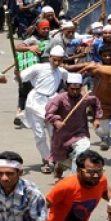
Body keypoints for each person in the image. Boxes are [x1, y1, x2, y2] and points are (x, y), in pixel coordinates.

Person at [43, 150, 111, 221]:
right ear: (79, 171)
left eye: (99, 171)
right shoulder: (65, 186)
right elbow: (39, 208)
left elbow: (105, 190)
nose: (96, 176)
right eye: (91, 172)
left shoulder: (100, 181)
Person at [18, 45, 69, 173]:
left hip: (52, 104)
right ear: (50, 58)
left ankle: (55, 157)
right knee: (39, 135)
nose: (57, 63)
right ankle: (46, 160)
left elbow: (73, 83)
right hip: (35, 103)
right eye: (54, 60)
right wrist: (18, 75)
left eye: (60, 60)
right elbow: (22, 76)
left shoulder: (62, 72)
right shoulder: (38, 68)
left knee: (54, 134)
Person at [45, 72, 103, 180]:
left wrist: (97, 118)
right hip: (62, 134)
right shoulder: (59, 99)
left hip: (80, 132)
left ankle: (73, 179)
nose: (75, 91)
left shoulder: (85, 98)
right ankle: (61, 165)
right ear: (67, 87)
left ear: (81, 87)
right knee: (62, 159)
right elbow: (49, 113)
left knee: (82, 151)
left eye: (78, 88)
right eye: (72, 88)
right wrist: (57, 121)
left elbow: (96, 102)